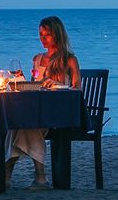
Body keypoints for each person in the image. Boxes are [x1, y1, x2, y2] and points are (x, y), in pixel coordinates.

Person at [7, 15, 80, 188]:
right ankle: (39, 178)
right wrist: (20, 78)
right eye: (40, 34)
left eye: (46, 35)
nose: (42, 39)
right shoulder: (37, 59)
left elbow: (77, 90)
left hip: (58, 113)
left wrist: (58, 85)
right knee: (15, 124)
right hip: (37, 110)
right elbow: (35, 85)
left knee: (27, 125)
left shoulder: (69, 60)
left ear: (57, 35)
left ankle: (8, 174)